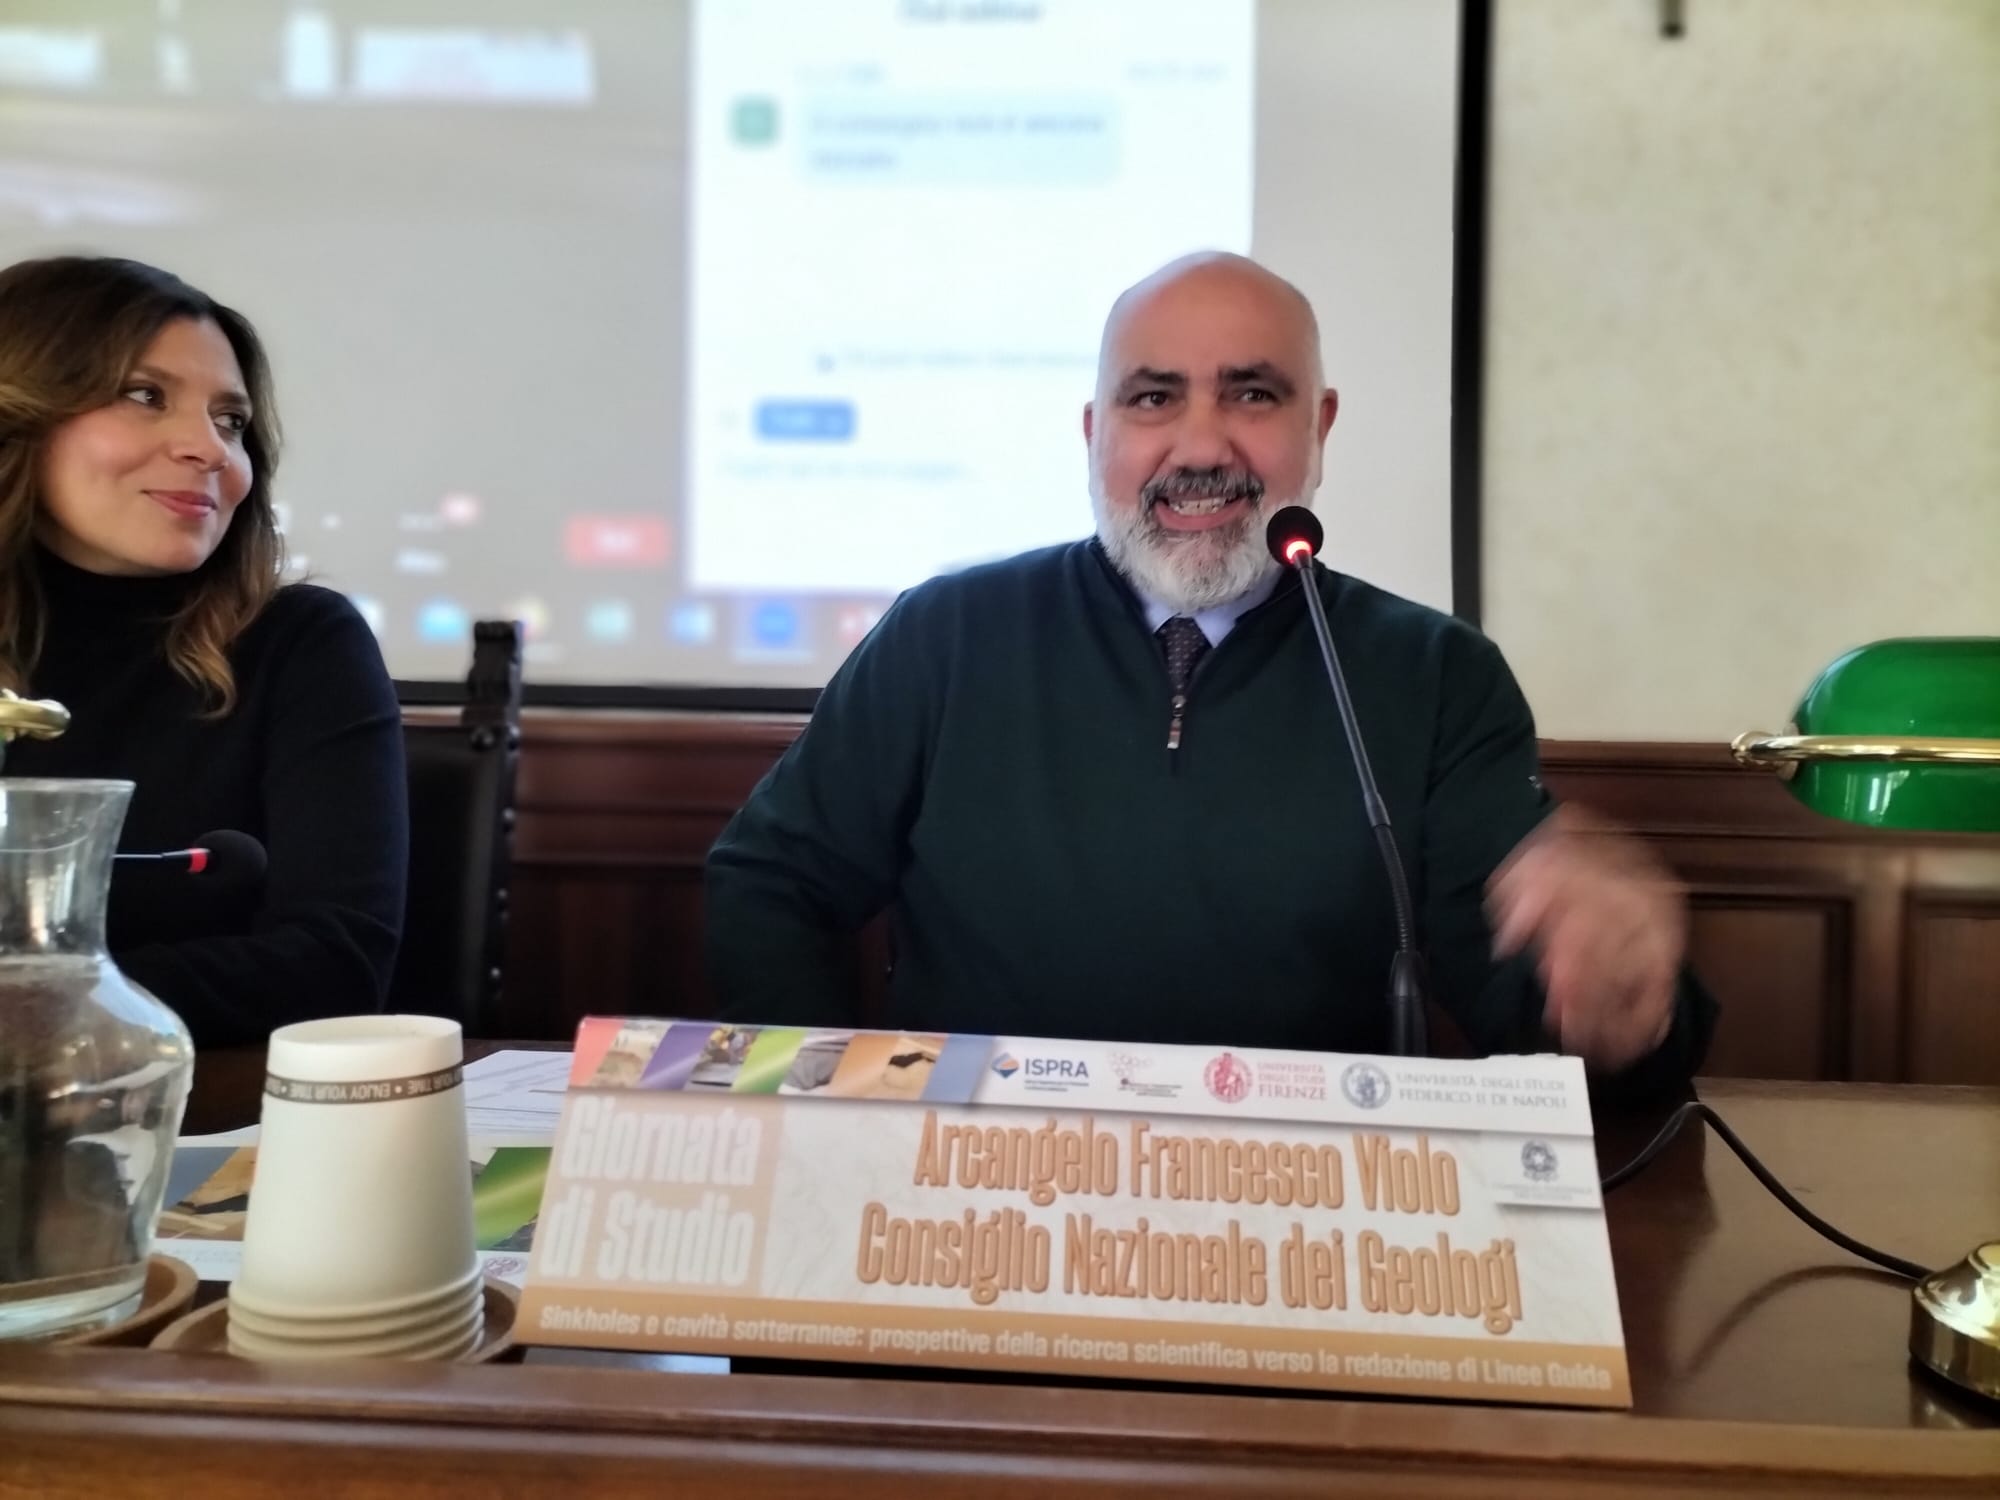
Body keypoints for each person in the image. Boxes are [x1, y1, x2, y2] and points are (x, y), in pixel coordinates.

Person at [706, 252, 1712, 1088]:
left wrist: (1621, 1001)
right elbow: (772, 883)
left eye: (1250, 394)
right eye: (1153, 398)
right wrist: (838, 1112)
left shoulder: (1435, 674)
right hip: (974, 1195)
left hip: (1304, 1212)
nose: (1199, 445)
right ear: (1095, 434)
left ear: (1317, 428)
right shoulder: (947, 635)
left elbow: (1538, 1018)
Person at [0, 255, 407, 1045]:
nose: (210, 449)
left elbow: (337, 963)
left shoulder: (301, 643)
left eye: (231, 421)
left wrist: (39, 1006)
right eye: (145, 396)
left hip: (203, 1107)